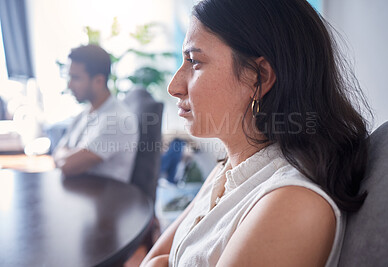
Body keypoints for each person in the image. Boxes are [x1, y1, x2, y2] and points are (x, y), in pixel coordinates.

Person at [141, 0, 372, 266]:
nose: (174, 86)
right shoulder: (227, 170)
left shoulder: (292, 204)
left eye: (194, 61)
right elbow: (154, 258)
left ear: (258, 76)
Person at [53, 44, 138, 183]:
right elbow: (57, 152)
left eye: (76, 78)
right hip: (78, 195)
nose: (69, 85)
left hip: (105, 201)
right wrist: (65, 156)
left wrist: (65, 156)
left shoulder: (119, 120)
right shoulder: (84, 113)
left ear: (99, 81)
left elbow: (67, 165)